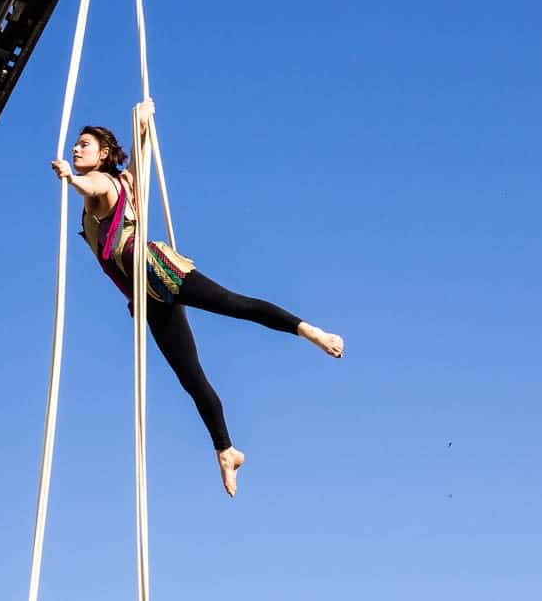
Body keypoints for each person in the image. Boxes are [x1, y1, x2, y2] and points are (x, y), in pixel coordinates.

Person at [50, 99, 343, 497]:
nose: (75, 148)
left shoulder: (101, 183)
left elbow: (94, 183)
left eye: (84, 144)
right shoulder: (126, 183)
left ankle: (310, 331)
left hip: (157, 271)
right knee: (191, 378)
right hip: (145, 298)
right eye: (75, 145)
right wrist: (140, 121)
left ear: (102, 155)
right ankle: (226, 450)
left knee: (234, 305)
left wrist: (71, 178)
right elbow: (136, 158)